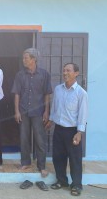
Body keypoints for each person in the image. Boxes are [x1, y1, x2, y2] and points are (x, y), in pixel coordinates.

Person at [11, 48, 52, 177]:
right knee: (24, 138)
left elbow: (47, 94)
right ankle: (25, 162)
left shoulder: (44, 74)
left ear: (34, 59)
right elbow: (17, 93)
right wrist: (17, 111)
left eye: (26, 58)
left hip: (38, 112)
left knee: (40, 139)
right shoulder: (20, 75)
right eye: (23, 58)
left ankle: (42, 166)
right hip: (23, 111)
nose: (24, 60)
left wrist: (46, 111)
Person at [49, 63, 88, 196]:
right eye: (64, 70)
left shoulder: (81, 93)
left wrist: (79, 132)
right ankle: (62, 181)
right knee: (58, 157)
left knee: (75, 159)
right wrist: (50, 120)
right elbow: (54, 107)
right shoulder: (58, 89)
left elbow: (83, 114)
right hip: (59, 129)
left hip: (73, 131)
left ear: (76, 73)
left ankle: (76, 185)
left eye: (68, 70)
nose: (65, 73)